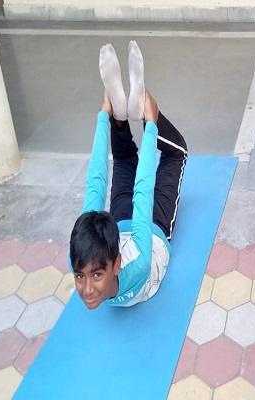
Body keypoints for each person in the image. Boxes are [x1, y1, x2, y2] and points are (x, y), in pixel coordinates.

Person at [69, 41, 188, 309]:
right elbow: (141, 197)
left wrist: (103, 115)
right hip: (152, 232)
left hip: (124, 228)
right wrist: (150, 127)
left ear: (117, 263)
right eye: (82, 276)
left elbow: (97, 183)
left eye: (95, 274)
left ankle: (119, 115)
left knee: (127, 159)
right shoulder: (138, 264)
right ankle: (144, 110)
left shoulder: (87, 253)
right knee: (174, 154)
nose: (87, 289)